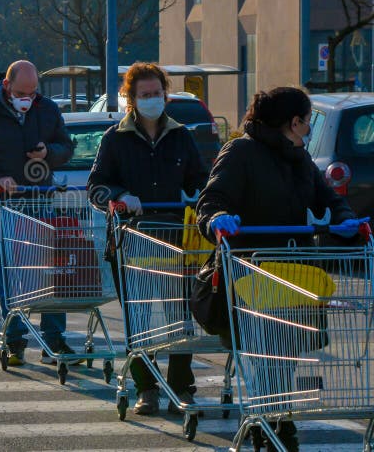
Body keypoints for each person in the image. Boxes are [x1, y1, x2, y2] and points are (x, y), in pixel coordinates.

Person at [197, 86, 368, 451]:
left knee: (284, 354)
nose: (308, 128)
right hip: (251, 274)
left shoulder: (299, 157)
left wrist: (345, 221)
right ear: (294, 122)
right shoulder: (240, 152)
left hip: (293, 273)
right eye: (307, 121)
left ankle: (273, 420)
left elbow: (328, 198)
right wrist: (217, 219)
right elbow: (211, 199)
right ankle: (275, 424)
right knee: (267, 355)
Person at [87, 62, 208, 416]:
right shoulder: (115, 139)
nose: (152, 100)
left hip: (175, 243)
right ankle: (146, 388)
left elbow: (199, 179)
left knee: (179, 317)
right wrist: (121, 196)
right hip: (131, 241)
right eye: (145, 95)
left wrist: (198, 194)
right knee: (139, 318)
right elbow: (96, 186)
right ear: (132, 99)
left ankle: (181, 387)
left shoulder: (181, 136)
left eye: (157, 94)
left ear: (165, 95)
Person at [0, 60, 75, 366]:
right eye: (22, 92)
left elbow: (66, 146)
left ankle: (54, 339)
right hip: (2, 205)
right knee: (10, 274)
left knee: (50, 271)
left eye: (33, 92)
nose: (28, 98)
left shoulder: (46, 109)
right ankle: (14, 340)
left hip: (40, 201)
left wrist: (49, 153)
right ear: (7, 87)